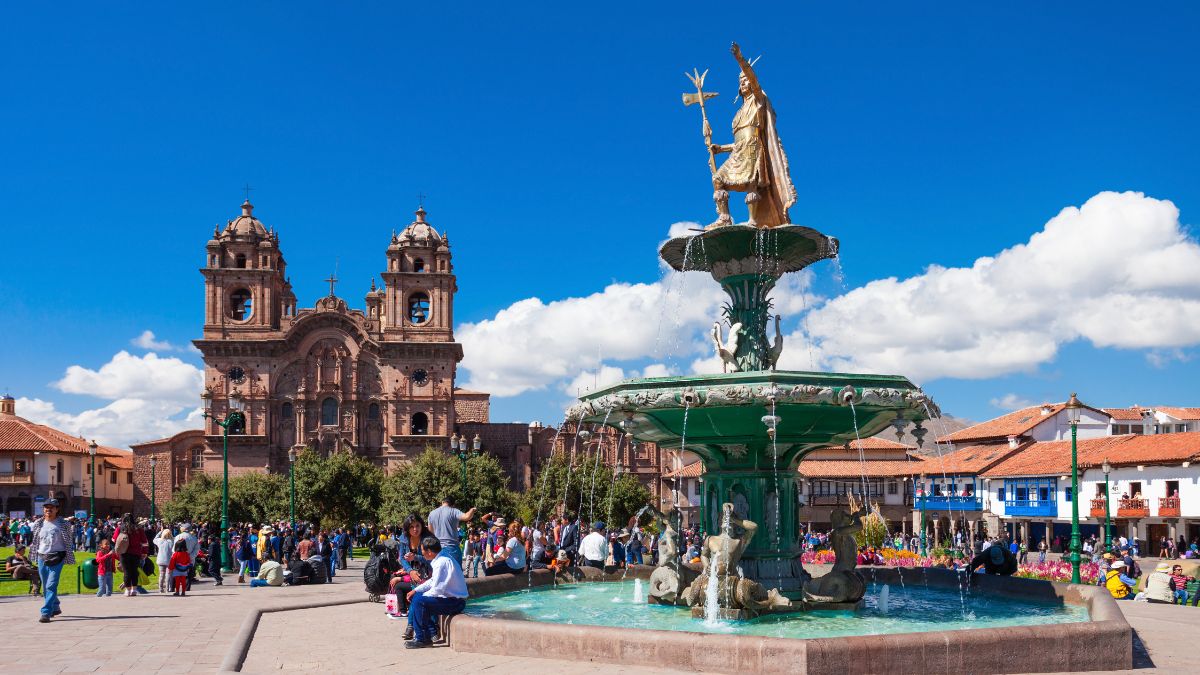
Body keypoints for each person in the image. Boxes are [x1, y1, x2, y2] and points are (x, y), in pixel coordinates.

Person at [404, 537, 468, 649]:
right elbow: (433, 581)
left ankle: (422, 638)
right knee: (418, 597)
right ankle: (430, 632)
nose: (421, 553)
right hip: (451, 599)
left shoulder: (442, 562)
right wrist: (416, 590)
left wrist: (420, 597)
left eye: (422, 551)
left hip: (456, 602)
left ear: (429, 552)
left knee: (419, 601)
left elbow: (437, 589)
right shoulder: (441, 558)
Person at [30, 499, 75, 622]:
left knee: (51, 585)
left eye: (51, 508)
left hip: (57, 557)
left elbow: (69, 540)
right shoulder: (38, 523)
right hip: (42, 556)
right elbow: (35, 540)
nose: (48, 510)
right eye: (46, 507)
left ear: (57, 509)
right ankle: (55, 606)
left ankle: (46, 612)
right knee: (45, 586)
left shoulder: (63, 524)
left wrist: (67, 554)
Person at [427, 496, 487, 567]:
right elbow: (467, 517)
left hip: (437, 549)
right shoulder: (453, 511)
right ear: (453, 505)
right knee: (455, 574)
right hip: (451, 548)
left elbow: (430, 532)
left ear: (442, 502)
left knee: (440, 573)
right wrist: (472, 510)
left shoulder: (432, 514)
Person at [113, 513, 148, 597]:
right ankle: (134, 590)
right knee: (134, 571)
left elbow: (114, 539)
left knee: (127, 571)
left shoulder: (120, 528)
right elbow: (144, 542)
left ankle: (128, 590)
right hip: (136, 553)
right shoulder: (139, 529)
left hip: (124, 552)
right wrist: (144, 552)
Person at [154, 527, 174, 593]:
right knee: (169, 574)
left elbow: (154, 539)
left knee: (161, 575)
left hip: (161, 559)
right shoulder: (171, 541)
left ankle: (161, 588)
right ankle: (168, 588)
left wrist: (160, 532)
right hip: (169, 559)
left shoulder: (160, 540)